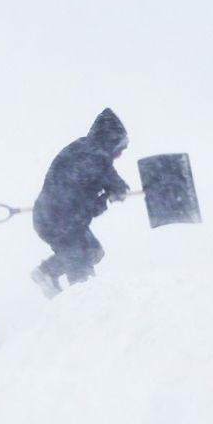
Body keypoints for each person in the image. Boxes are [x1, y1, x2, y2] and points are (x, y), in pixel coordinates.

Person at [30, 108, 130, 298]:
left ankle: (48, 272)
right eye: (119, 150)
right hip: (58, 221)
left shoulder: (84, 149)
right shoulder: (94, 156)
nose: (119, 155)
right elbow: (102, 185)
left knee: (93, 250)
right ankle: (81, 307)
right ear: (110, 142)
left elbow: (93, 187)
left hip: (53, 217)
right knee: (81, 266)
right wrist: (114, 192)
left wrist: (110, 193)